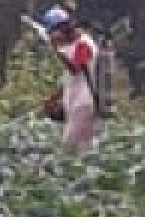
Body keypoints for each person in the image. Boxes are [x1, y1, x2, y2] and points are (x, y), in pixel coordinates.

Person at [42, 6, 99, 155]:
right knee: (80, 151)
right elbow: (73, 79)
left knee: (70, 151)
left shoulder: (84, 44)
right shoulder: (71, 47)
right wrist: (54, 98)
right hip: (75, 106)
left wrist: (56, 49)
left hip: (85, 106)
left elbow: (75, 68)